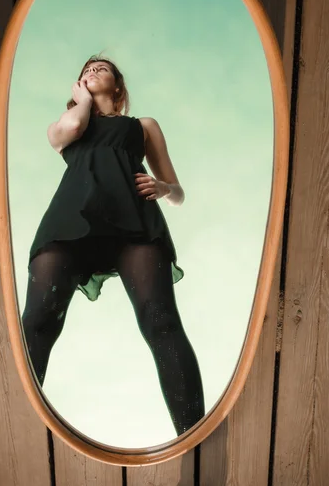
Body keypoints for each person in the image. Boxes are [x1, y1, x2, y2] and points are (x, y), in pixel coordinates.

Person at [21, 55, 205, 436]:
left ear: (119, 88)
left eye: (101, 69)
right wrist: (83, 103)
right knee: (37, 321)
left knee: (162, 323)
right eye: (85, 70)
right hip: (70, 222)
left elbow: (178, 193)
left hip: (135, 224)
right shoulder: (65, 126)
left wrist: (163, 187)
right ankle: (12, 426)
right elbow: (71, 126)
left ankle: (194, 438)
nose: (92, 71)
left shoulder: (143, 126)